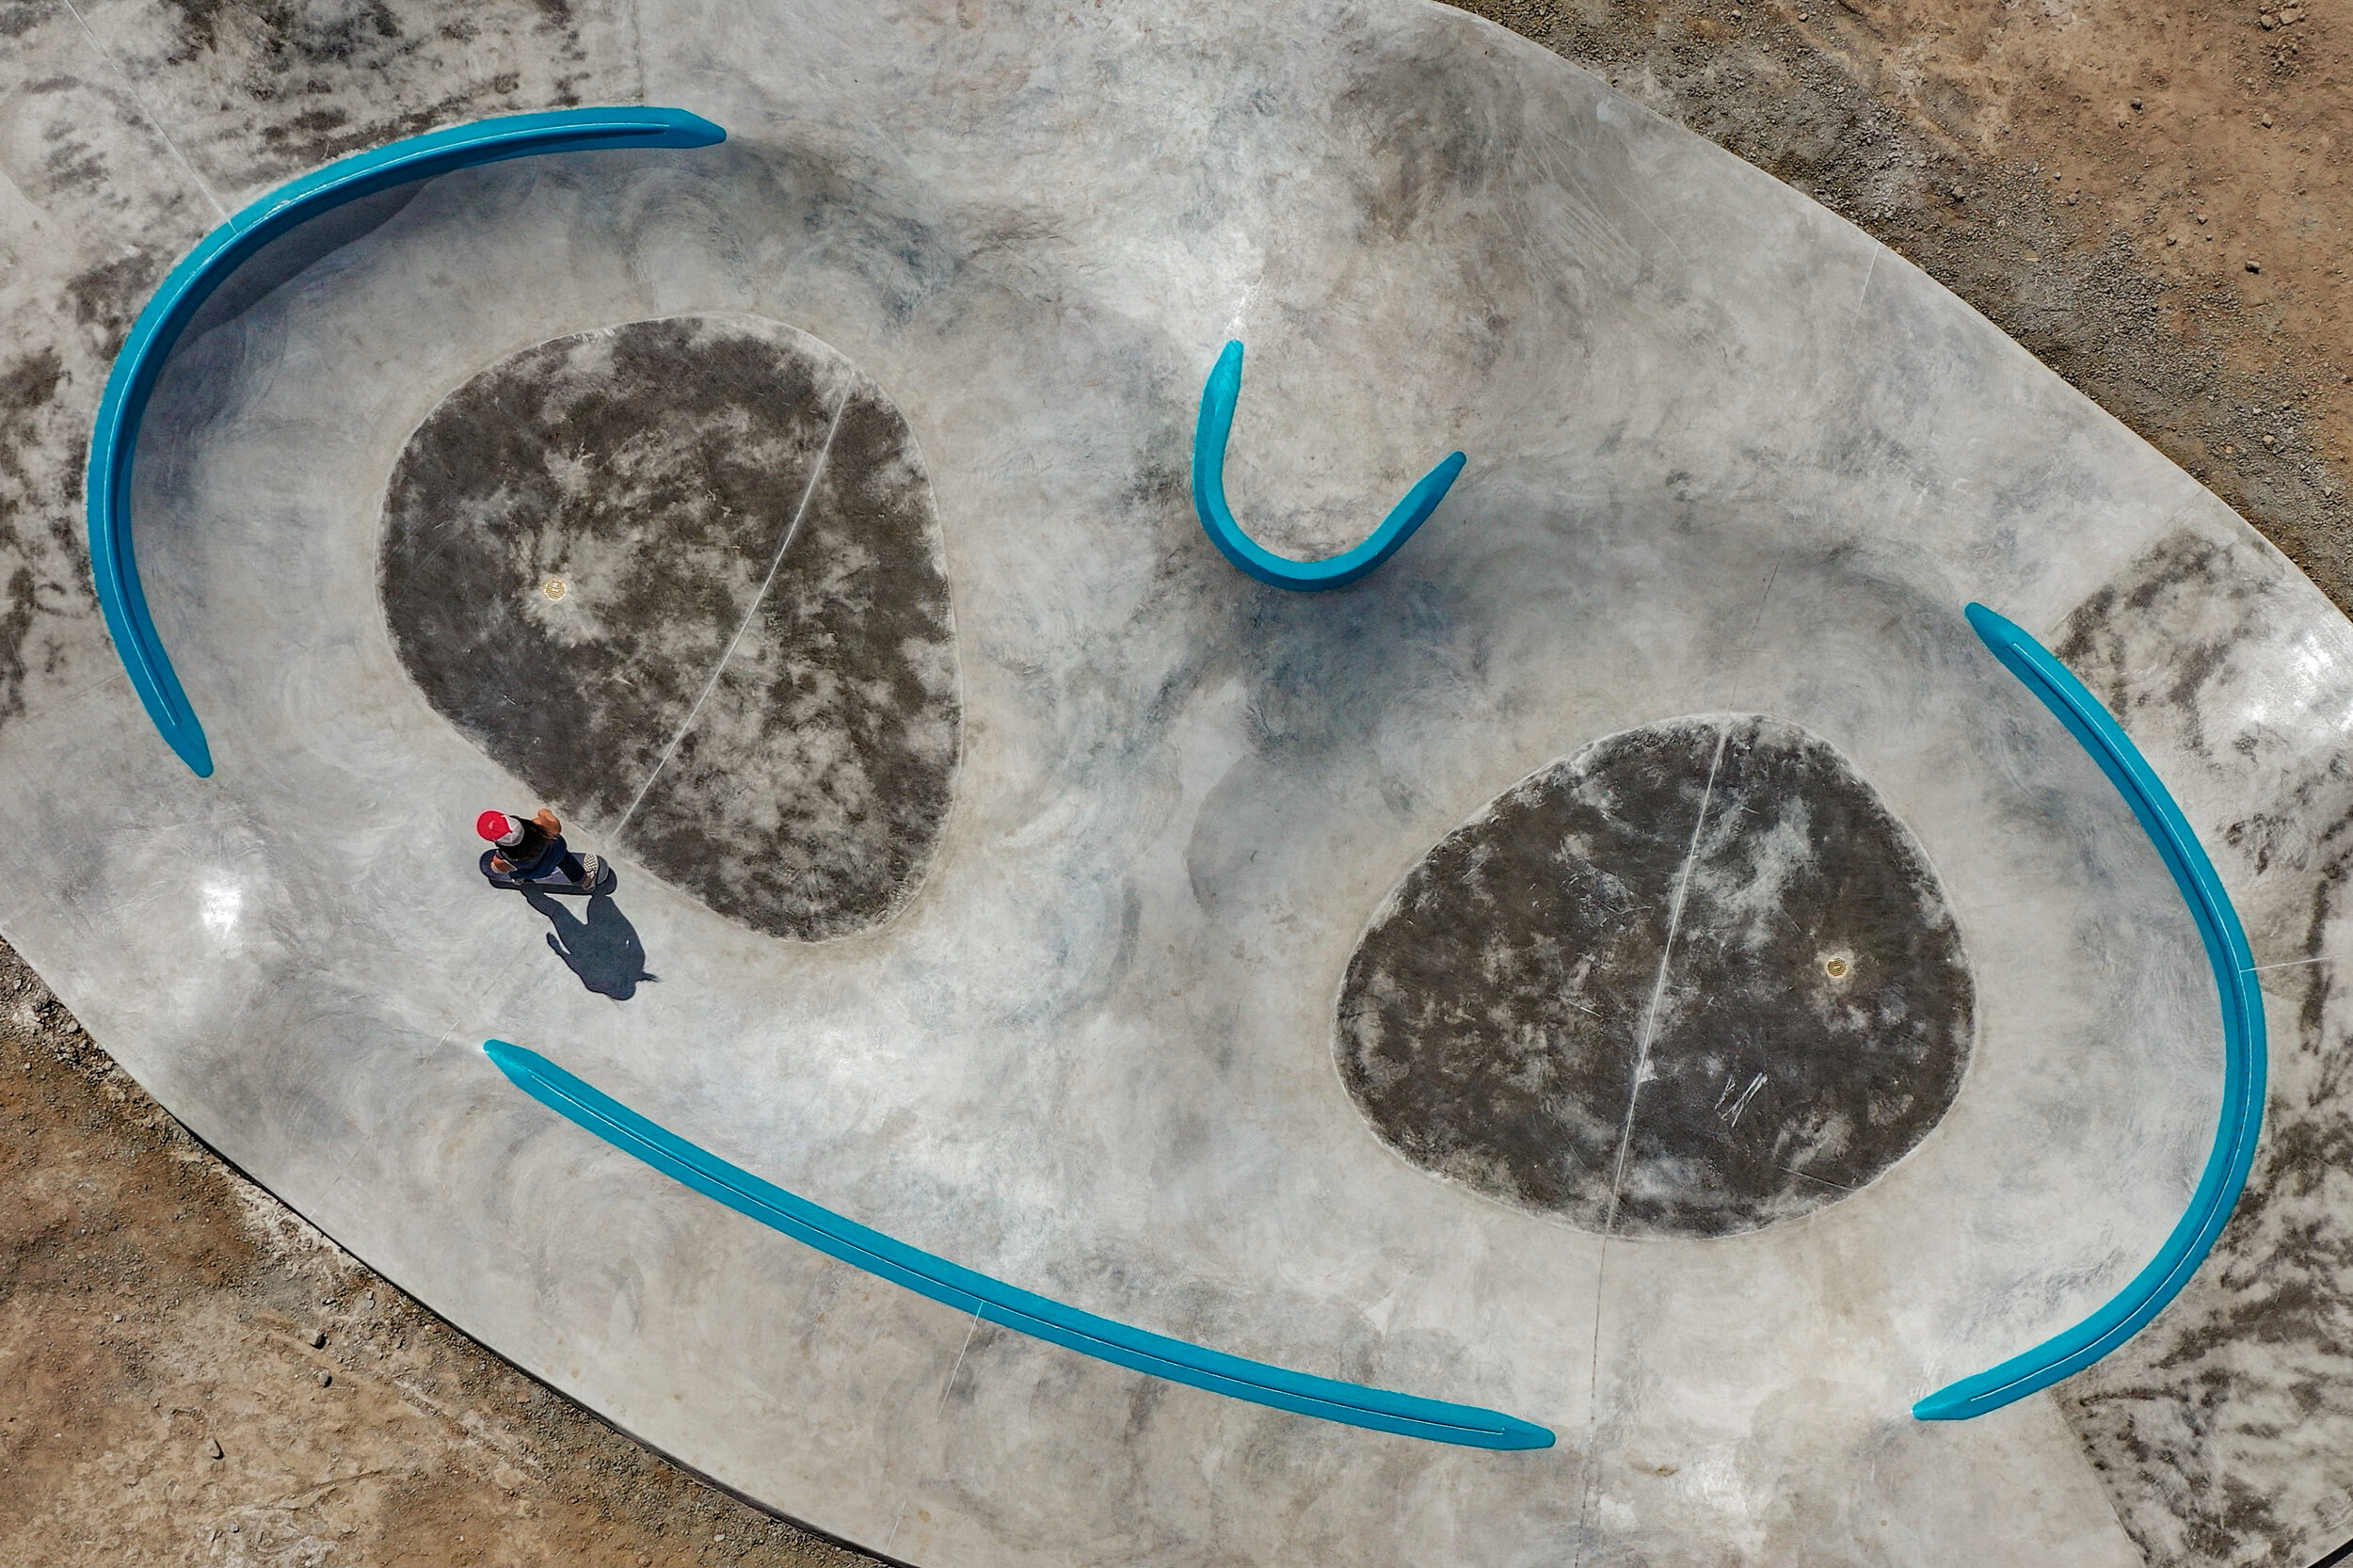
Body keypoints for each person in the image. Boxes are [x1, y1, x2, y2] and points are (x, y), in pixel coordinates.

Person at [476, 808, 604, 891]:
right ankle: (585, 881)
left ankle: (518, 879)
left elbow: (498, 869)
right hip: (557, 852)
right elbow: (548, 816)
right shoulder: (541, 825)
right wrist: (543, 812)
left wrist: (494, 865)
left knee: (515, 871)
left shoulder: (503, 859)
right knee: (566, 860)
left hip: (538, 872)